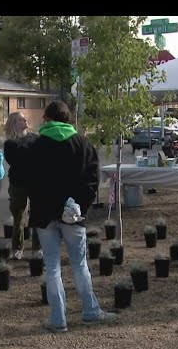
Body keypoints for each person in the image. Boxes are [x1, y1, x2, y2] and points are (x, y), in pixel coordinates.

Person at [27, 100, 117, 333]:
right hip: (73, 214)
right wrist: (80, 204)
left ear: (46, 119)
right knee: (79, 265)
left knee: (52, 267)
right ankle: (90, 311)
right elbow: (92, 180)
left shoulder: (36, 145)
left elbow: (26, 179)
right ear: (68, 119)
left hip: (44, 214)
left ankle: (58, 318)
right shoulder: (82, 144)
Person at [3, 112, 41, 260]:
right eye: (20, 119)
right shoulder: (10, 144)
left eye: (25, 118)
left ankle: (37, 248)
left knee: (37, 215)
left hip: (35, 183)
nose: (24, 120)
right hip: (18, 184)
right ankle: (17, 249)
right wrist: (31, 158)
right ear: (14, 123)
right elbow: (15, 161)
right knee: (19, 217)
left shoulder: (35, 138)